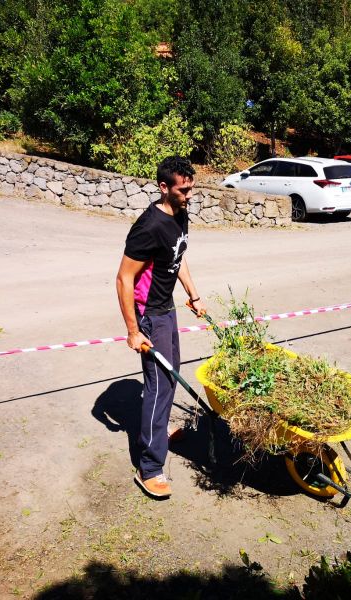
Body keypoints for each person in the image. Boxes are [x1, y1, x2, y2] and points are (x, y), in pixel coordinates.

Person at [115, 156, 207, 499]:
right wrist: (132, 330)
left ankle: (157, 429)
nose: (190, 195)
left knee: (170, 376)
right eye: (183, 190)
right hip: (148, 315)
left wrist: (193, 295)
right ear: (163, 187)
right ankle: (150, 466)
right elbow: (124, 279)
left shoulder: (180, 214)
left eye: (191, 187)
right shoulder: (148, 225)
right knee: (158, 384)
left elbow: (177, 257)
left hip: (166, 308)